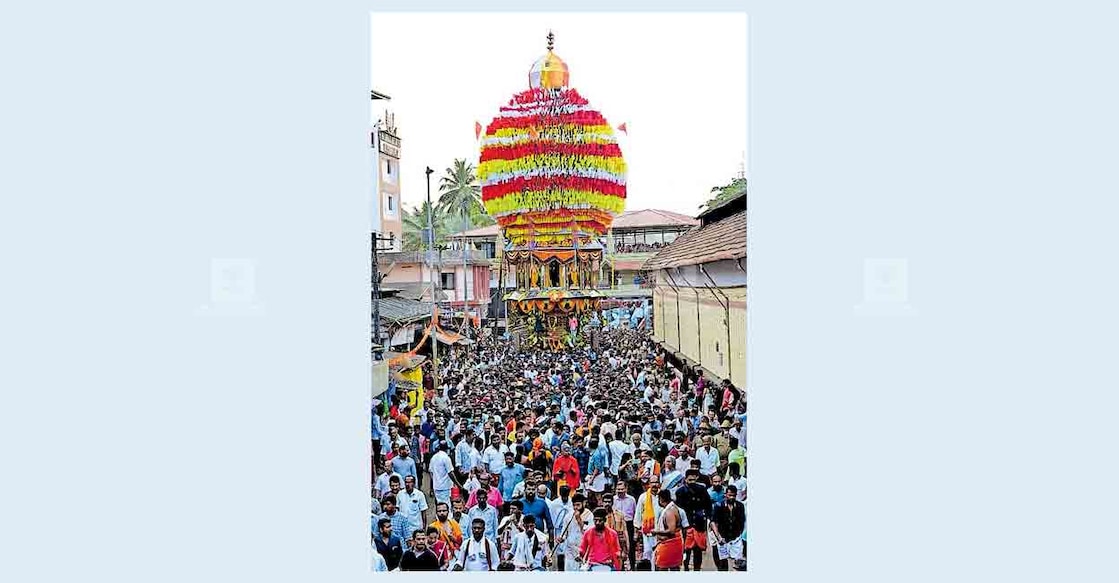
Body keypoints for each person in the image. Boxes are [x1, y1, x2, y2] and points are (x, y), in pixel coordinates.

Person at [674, 469, 712, 571]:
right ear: (685, 479)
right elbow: (678, 509)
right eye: (690, 480)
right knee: (686, 549)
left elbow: (708, 505)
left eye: (694, 480)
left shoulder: (702, 489)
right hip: (686, 525)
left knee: (698, 550)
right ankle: (686, 567)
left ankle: (697, 569)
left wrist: (709, 519)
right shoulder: (680, 492)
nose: (692, 482)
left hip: (699, 524)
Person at [709, 484, 746, 571]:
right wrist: (719, 538)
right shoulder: (718, 506)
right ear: (725, 495)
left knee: (738, 564)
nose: (732, 497)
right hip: (722, 539)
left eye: (733, 495)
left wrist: (740, 535)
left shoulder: (740, 506)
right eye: (730, 495)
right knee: (723, 563)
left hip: (736, 539)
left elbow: (742, 521)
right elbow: (713, 522)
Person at [651, 489, 685, 571]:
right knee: (673, 567)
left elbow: (671, 530)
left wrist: (656, 532)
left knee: (663, 568)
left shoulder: (670, 512)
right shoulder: (671, 508)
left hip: (670, 544)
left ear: (661, 499)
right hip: (671, 543)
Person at [560, 493, 593, 571]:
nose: (576, 507)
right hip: (570, 551)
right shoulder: (569, 515)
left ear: (584, 503)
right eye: (574, 505)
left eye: (578, 505)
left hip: (583, 550)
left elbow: (589, 534)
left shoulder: (589, 515)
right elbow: (564, 533)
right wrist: (561, 538)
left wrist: (579, 520)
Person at [600, 490, 631, 570]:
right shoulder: (598, 517)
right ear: (602, 502)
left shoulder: (619, 515)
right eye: (605, 502)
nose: (607, 504)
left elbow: (625, 532)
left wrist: (626, 550)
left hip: (617, 548)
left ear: (612, 503)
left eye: (609, 502)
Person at [548, 485, 574, 571]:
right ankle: (560, 570)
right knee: (559, 550)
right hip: (558, 528)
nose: (565, 497)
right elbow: (552, 516)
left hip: (569, 529)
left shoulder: (572, 502)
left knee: (568, 549)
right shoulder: (554, 503)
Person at [396, 475, 429, 542]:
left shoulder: (420, 495)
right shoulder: (400, 494)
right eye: (406, 482)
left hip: (415, 527)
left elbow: (423, 512)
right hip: (403, 527)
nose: (407, 484)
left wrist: (424, 528)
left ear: (414, 483)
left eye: (410, 482)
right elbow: (397, 510)